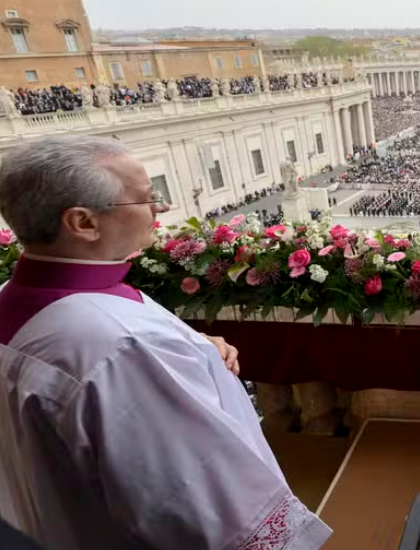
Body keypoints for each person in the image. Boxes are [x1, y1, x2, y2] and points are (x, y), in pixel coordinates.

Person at [0, 137, 331, 550]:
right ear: (83, 222)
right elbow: (199, 504)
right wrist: (165, 356)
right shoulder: (124, 348)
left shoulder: (23, 302)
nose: (162, 207)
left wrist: (191, 349)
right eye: (146, 197)